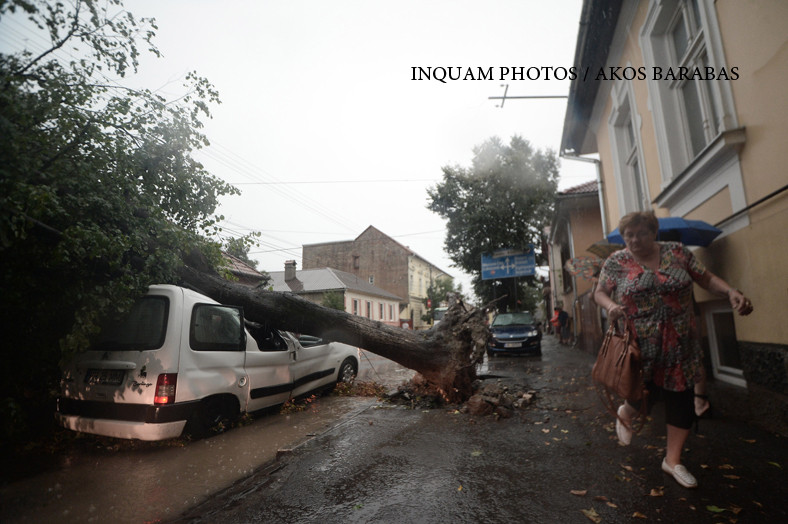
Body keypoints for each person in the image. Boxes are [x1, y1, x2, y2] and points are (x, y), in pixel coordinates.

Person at [593, 211, 753, 489]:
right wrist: (611, 307)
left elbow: (706, 278)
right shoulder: (616, 262)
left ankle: (673, 460)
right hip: (640, 343)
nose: (634, 239)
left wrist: (730, 292)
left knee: (681, 398)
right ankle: (627, 412)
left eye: (640, 233)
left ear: (653, 231)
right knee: (644, 392)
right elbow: (599, 292)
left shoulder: (677, 253)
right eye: (628, 235)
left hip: (681, 340)